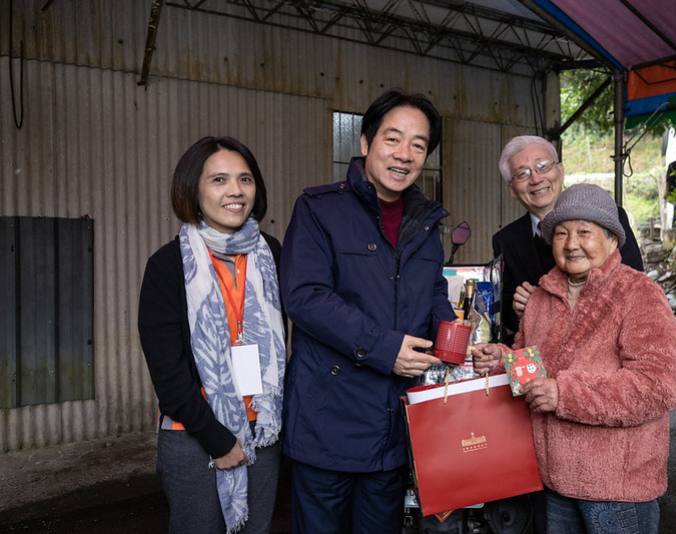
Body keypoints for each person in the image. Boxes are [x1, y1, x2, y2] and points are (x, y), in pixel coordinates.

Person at [280, 90, 453, 533]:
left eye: (418, 144)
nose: (405, 154)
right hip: (328, 423)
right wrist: (384, 348)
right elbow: (304, 296)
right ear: (365, 143)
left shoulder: (426, 221)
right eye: (393, 139)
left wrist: (460, 344)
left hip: (393, 427)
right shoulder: (320, 209)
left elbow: (433, 293)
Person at [474, 183, 676, 534]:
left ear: (612, 241)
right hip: (554, 480)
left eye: (584, 232)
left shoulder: (637, 294)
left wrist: (565, 394)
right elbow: (534, 370)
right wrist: (501, 359)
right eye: (561, 233)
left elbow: (662, 385)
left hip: (617, 488)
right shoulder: (542, 296)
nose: (572, 244)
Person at [138, 136, 285, 533]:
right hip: (193, 437)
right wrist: (218, 440)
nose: (236, 191)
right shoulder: (168, 266)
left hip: (264, 429)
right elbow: (167, 374)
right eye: (219, 180)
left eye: (245, 179)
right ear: (193, 189)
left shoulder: (272, 253)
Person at [492, 135, 643, 346]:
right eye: (522, 173)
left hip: (607, 348)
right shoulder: (506, 240)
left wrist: (547, 305)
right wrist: (519, 310)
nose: (536, 179)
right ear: (511, 189)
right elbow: (505, 310)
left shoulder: (609, 218)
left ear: (560, 171)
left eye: (542, 166)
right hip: (543, 354)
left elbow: (634, 285)